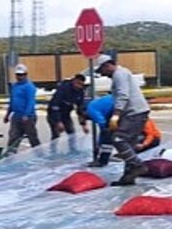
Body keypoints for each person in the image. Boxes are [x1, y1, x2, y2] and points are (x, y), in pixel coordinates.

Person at [94, 54, 151, 186]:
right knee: (129, 144)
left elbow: (123, 95)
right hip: (136, 112)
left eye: (102, 71)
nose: (103, 74)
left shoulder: (119, 75)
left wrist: (116, 115)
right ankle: (128, 177)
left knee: (118, 139)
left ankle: (137, 165)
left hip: (134, 112)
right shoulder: (122, 73)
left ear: (107, 65)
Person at [47, 73, 89, 152]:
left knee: (71, 132)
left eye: (81, 85)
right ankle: (53, 151)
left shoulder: (80, 92)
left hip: (66, 114)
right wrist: (58, 122)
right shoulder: (63, 88)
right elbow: (55, 105)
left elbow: (80, 109)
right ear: (74, 81)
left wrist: (83, 124)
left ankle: (73, 150)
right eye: (77, 83)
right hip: (54, 113)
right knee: (56, 134)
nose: (78, 86)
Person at [4, 63, 40, 151]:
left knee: (32, 137)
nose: (19, 77)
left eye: (22, 75)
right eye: (18, 75)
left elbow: (30, 102)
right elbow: (12, 101)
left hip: (27, 117)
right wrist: (8, 114)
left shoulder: (29, 87)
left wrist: (26, 114)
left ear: (26, 75)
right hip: (16, 116)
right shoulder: (15, 86)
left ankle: (39, 154)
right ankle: (10, 154)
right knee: (13, 137)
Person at [84, 94, 117, 167]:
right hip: (117, 103)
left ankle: (103, 161)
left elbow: (102, 124)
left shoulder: (90, 110)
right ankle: (106, 156)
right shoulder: (94, 104)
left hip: (115, 107)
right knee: (108, 134)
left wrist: (100, 143)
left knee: (107, 137)